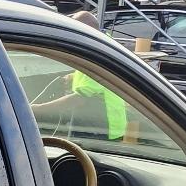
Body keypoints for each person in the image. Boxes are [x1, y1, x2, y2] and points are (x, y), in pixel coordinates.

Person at [33, 10, 128, 141]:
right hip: (104, 124)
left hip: (99, 128)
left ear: (85, 31)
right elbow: (94, 80)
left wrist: (37, 110)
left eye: (74, 32)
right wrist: (73, 76)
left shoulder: (96, 54)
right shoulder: (103, 43)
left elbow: (79, 99)